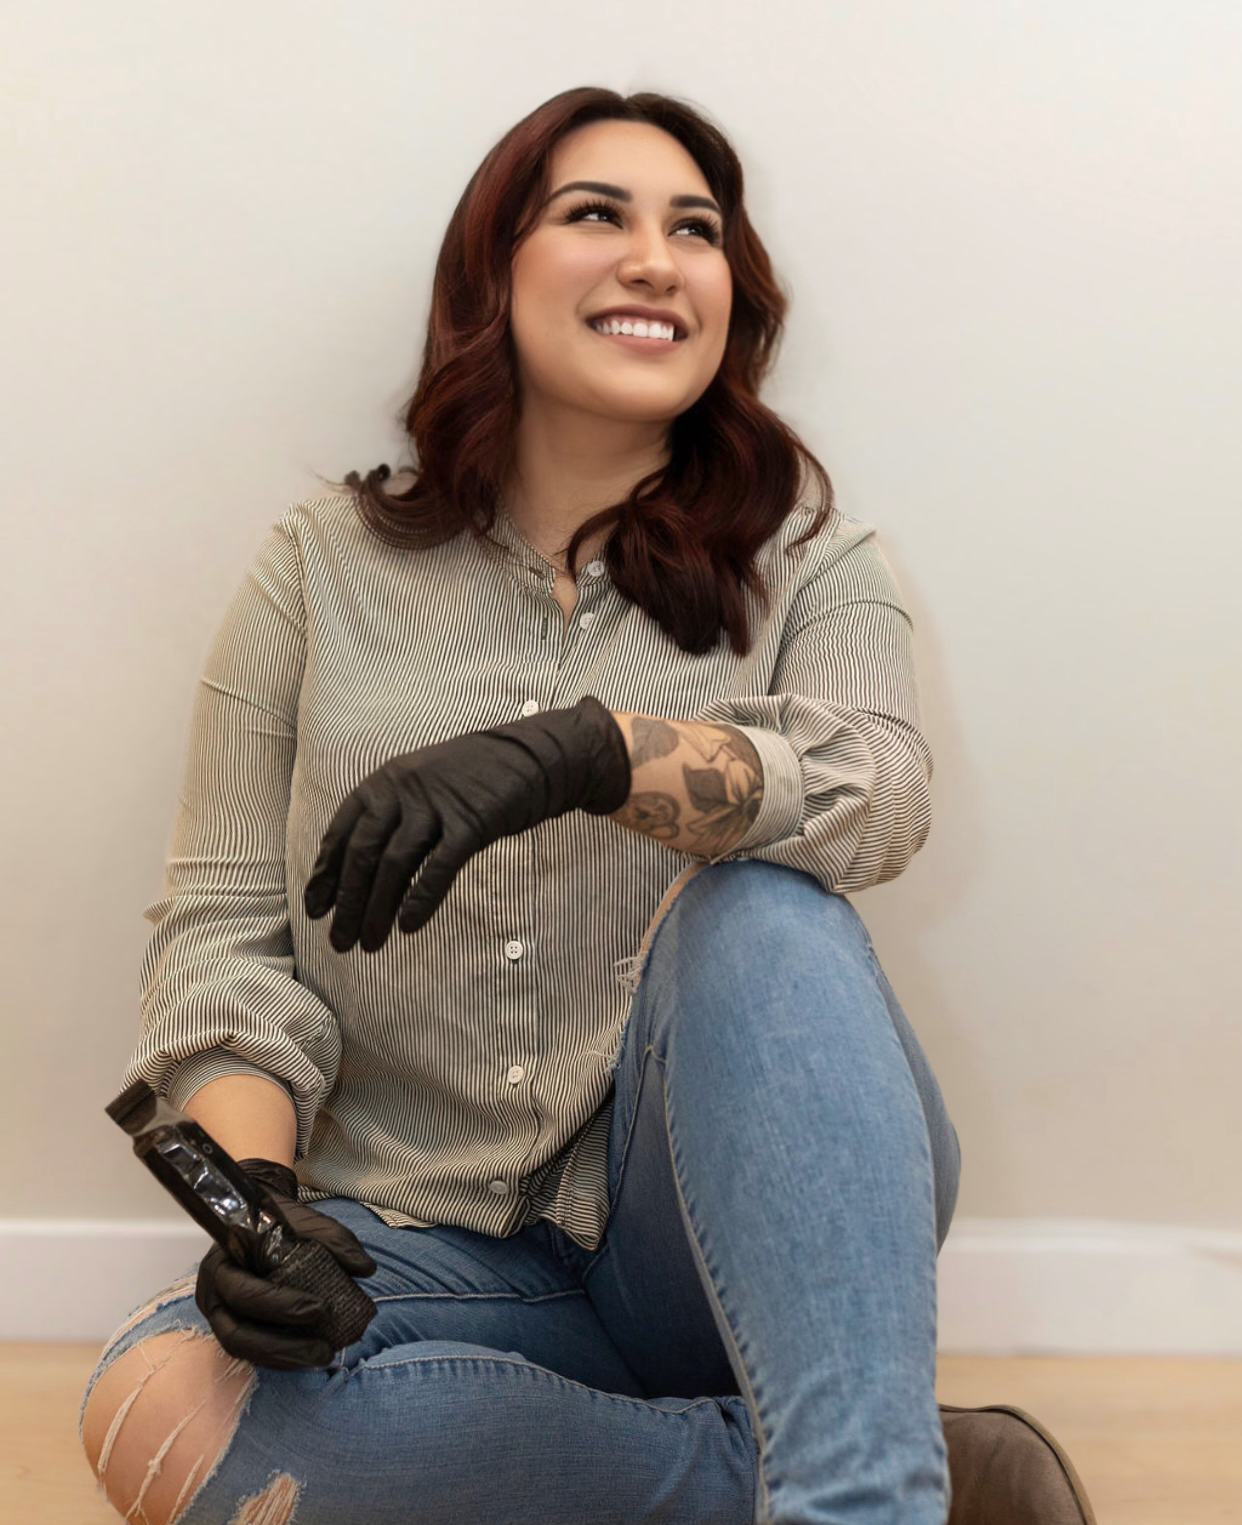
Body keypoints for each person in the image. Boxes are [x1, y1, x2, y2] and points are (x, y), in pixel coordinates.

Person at [79, 87, 1097, 1525]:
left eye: (695, 229)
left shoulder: (817, 562)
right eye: (595, 215)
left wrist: (597, 754)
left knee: (760, 903)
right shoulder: (314, 571)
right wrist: (262, 1206)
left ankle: (857, 1498)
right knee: (153, 1404)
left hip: (713, 1235)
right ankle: (880, 1468)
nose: (655, 258)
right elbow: (223, 939)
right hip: (427, 1248)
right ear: (491, 272)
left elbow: (879, 795)